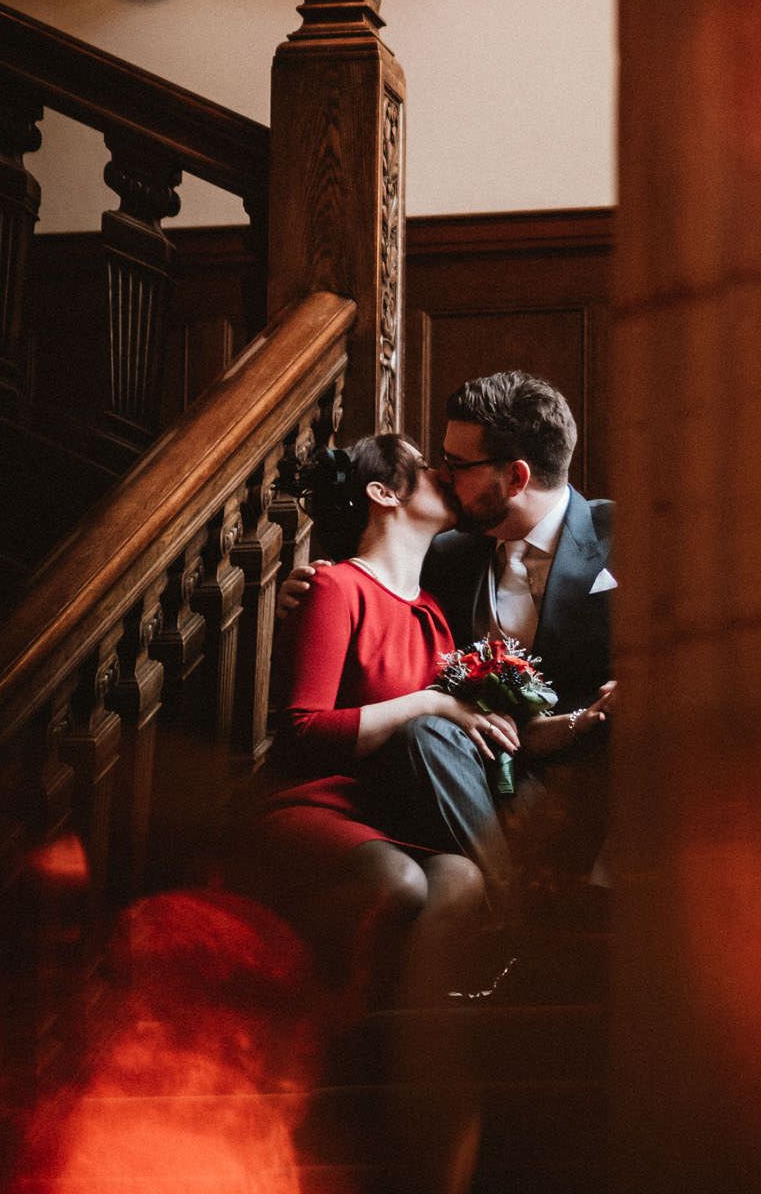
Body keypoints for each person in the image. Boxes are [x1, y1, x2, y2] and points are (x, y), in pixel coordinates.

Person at [281, 373, 615, 887]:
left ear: (517, 478)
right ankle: (509, 923)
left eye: (456, 466)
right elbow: (378, 580)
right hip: (461, 776)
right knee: (428, 731)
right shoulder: (444, 557)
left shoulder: (627, 536)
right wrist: (306, 589)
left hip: (590, 771)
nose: (443, 475)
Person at [258, 430, 518, 999]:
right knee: (400, 884)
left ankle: (408, 1048)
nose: (444, 474)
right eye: (425, 467)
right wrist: (428, 702)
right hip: (317, 802)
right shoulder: (334, 586)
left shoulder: (434, 614)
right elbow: (300, 733)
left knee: (461, 878)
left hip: (388, 813)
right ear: (383, 493)